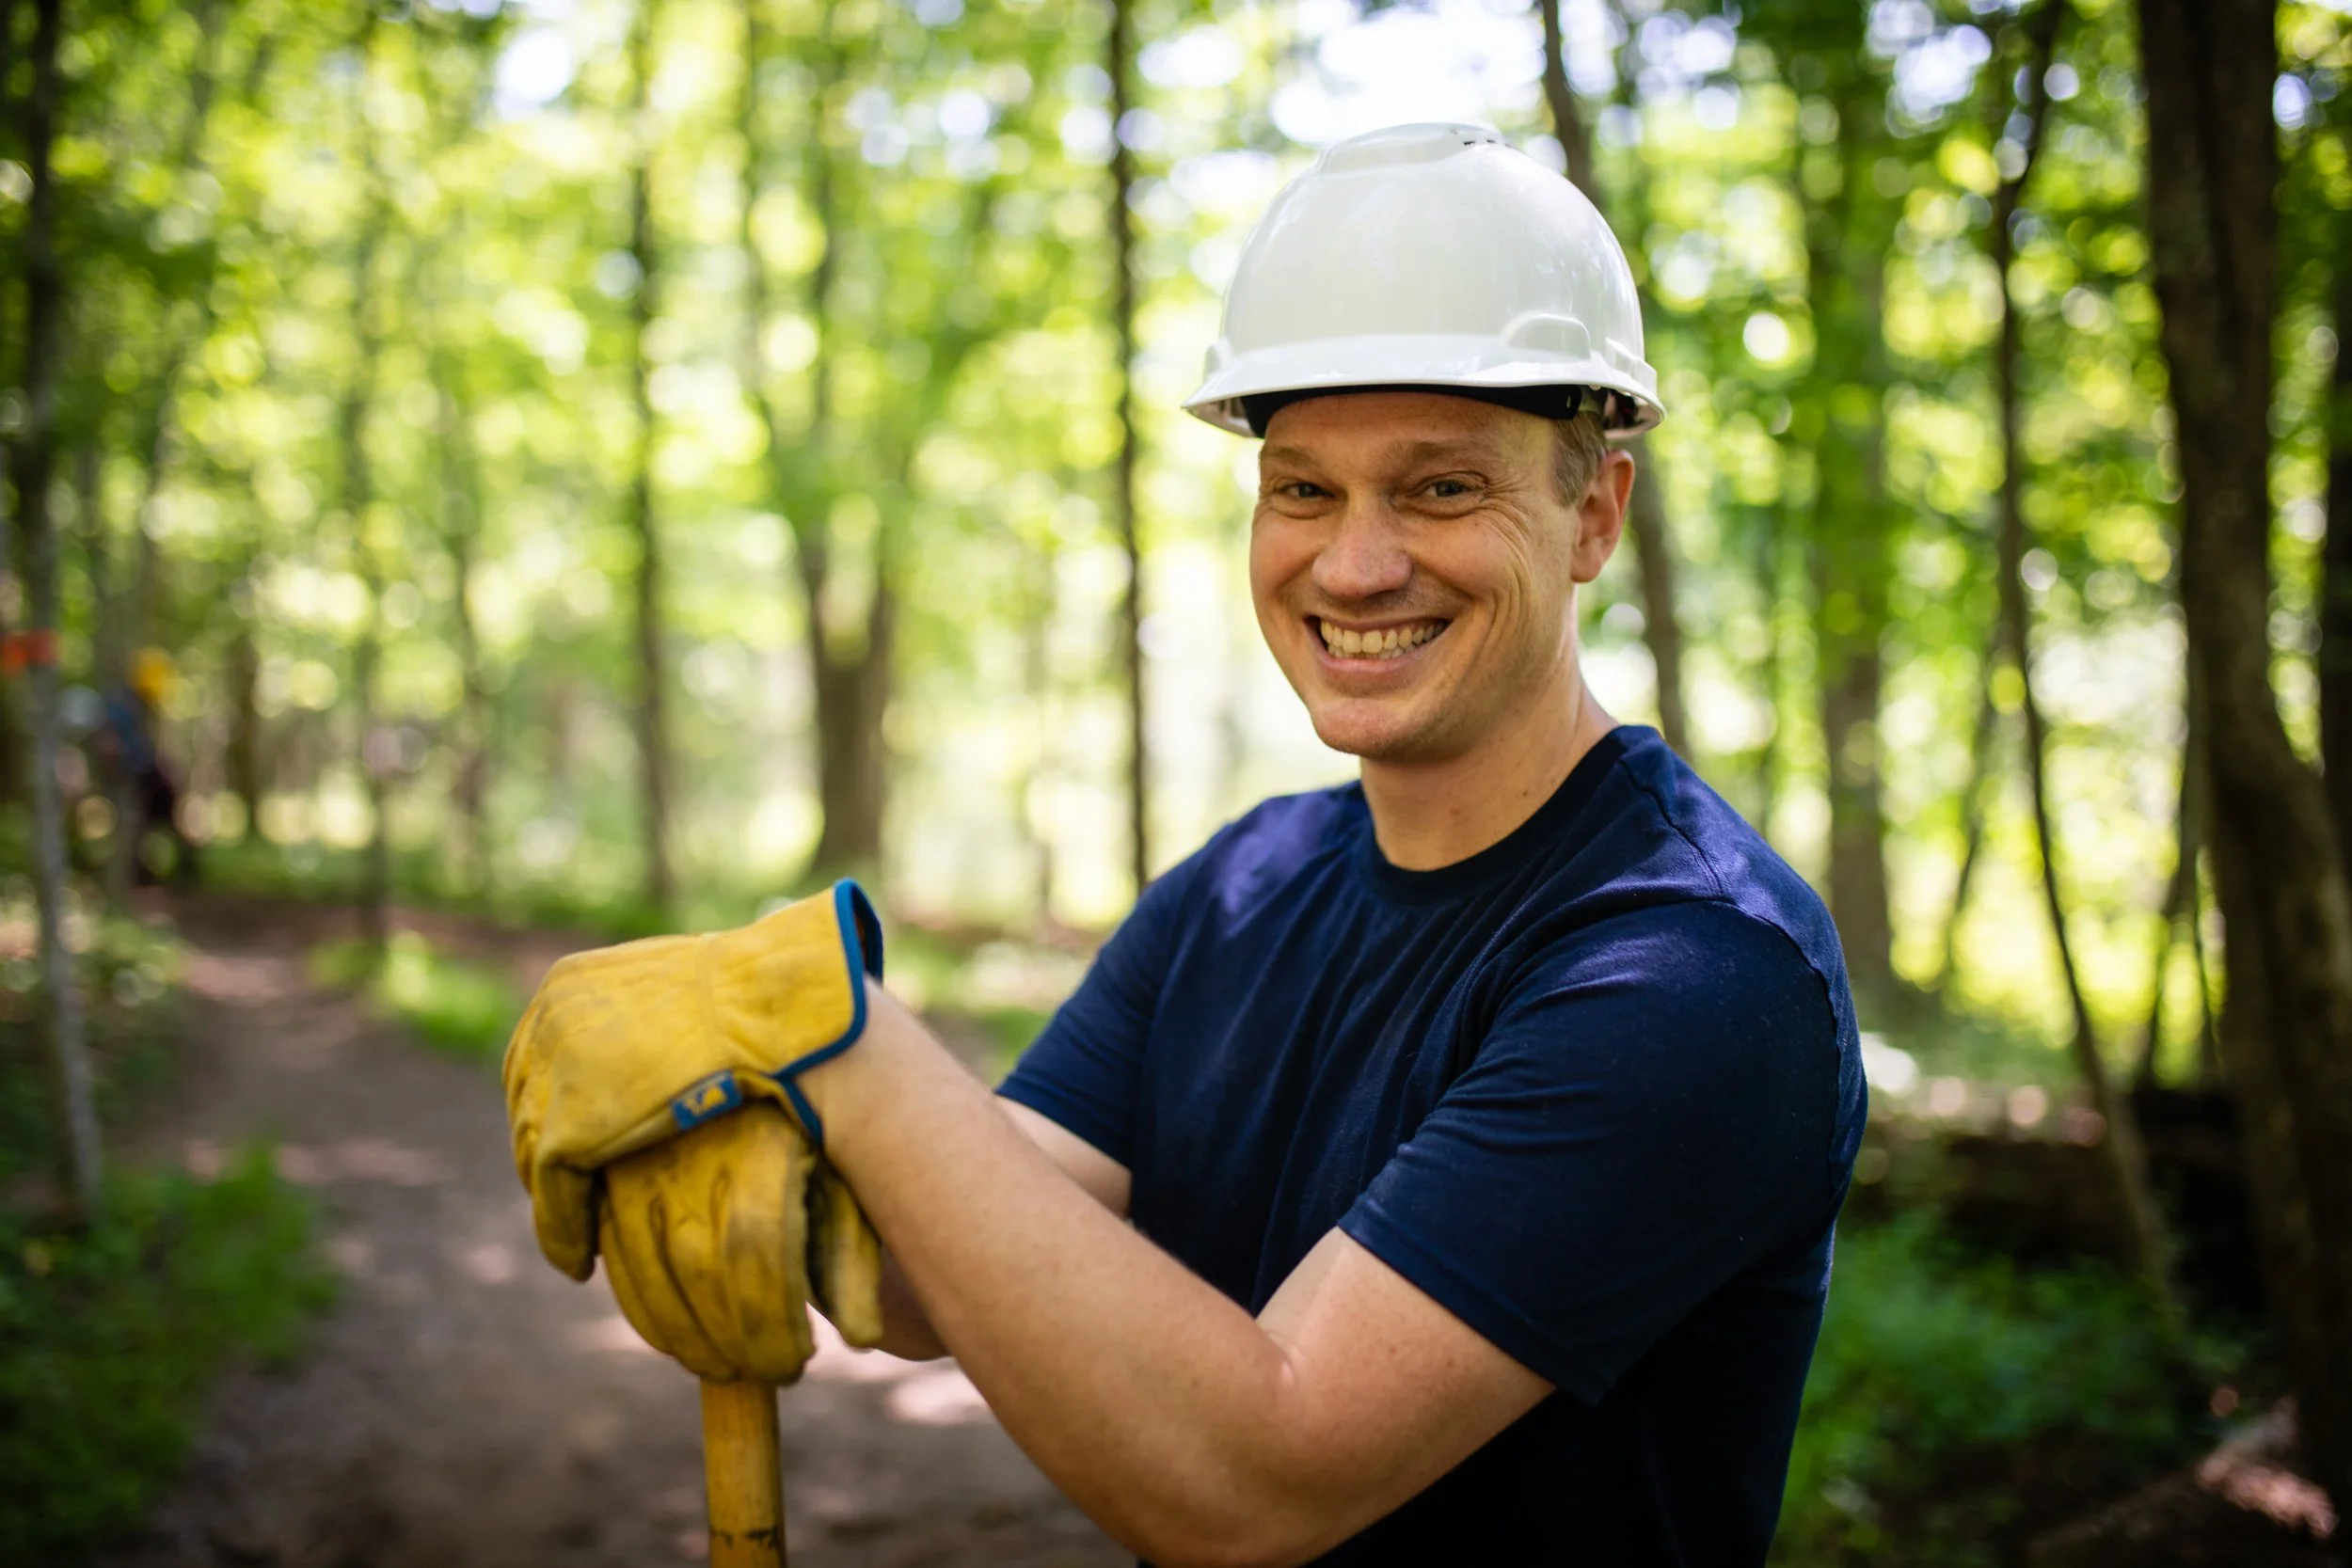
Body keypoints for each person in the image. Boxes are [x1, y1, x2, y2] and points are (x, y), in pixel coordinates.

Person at [507, 122, 1865, 1566]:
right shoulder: (1245, 885)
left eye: (1440, 487)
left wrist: (837, 1042)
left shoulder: (1695, 972)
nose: (1353, 563)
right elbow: (954, 1259)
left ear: (1592, 512)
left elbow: (1257, 1477)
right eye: (1303, 487)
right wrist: (779, 1178)